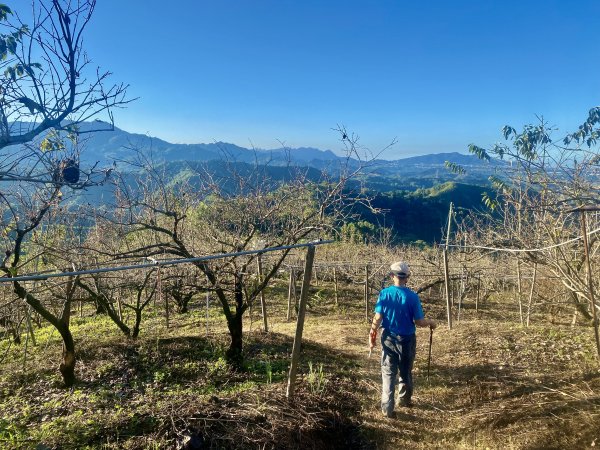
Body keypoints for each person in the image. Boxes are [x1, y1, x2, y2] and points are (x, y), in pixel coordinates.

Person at [369, 261, 436, 418]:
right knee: (405, 371)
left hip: (388, 338)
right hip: (407, 340)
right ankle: (404, 400)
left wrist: (372, 334)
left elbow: (378, 317)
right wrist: (431, 323)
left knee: (388, 372)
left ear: (392, 276)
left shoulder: (384, 294)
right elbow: (419, 322)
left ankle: (387, 408)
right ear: (407, 277)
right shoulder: (412, 297)